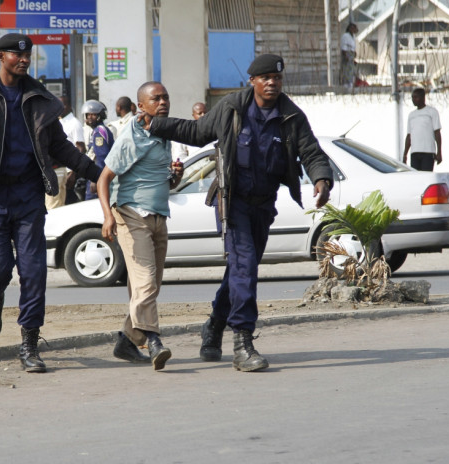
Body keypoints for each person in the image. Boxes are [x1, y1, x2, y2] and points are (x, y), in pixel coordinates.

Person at [145, 54, 333, 372]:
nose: (272, 83)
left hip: (263, 204)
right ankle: (243, 343)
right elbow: (199, 133)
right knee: (244, 266)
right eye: (266, 78)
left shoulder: (291, 116)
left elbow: (310, 150)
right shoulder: (233, 107)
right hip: (231, 202)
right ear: (253, 82)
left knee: (239, 271)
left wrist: (321, 177)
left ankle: (215, 324)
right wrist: (157, 125)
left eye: (277, 78)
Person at [0, 33, 102, 373]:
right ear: (1, 56)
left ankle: (29, 343)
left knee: (35, 271)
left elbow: (61, 147)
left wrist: (97, 173)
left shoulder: (40, 98)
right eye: (16, 54)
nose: (24, 59)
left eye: (28, 54)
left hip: (28, 196)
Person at [97, 81, 184, 371]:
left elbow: (163, 182)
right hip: (132, 215)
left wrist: (174, 177)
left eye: (165, 97)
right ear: (141, 106)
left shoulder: (162, 133)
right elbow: (104, 179)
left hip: (159, 215)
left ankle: (126, 341)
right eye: (156, 99)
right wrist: (108, 217)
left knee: (150, 286)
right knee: (145, 281)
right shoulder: (131, 136)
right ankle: (154, 339)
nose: (163, 102)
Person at [402, 88, 442, 171]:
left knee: (426, 176)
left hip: (428, 152)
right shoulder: (411, 115)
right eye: (412, 97)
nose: (413, 100)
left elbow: (437, 132)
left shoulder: (432, 112)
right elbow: (409, 135)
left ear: (423, 97)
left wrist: (439, 152)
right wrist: (405, 154)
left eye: (416, 97)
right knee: (416, 178)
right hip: (414, 152)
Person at [82, 99, 114, 200]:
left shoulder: (99, 132)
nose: (89, 118)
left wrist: (95, 179)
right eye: (88, 115)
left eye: (93, 115)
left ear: (100, 116)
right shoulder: (98, 130)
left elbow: (101, 158)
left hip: (98, 176)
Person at [57, 95, 86, 205]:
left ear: (69, 106)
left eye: (62, 106)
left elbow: (81, 148)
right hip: (61, 170)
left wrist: (73, 173)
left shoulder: (74, 123)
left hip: (70, 172)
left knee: (70, 204)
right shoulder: (60, 122)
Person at [340, 23, 358, 89]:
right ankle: (346, 84)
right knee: (346, 70)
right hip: (347, 54)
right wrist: (345, 55)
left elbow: (353, 46)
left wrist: (354, 54)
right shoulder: (345, 36)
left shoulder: (353, 36)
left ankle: (350, 83)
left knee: (352, 70)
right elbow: (344, 46)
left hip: (351, 54)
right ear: (350, 28)